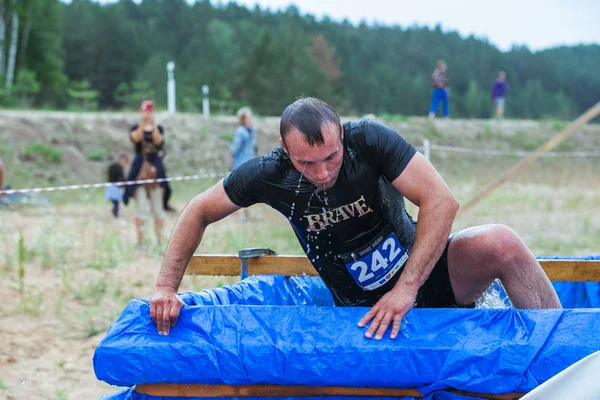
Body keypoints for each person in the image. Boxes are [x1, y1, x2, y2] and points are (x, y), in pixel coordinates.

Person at [150, 97, 561, 340]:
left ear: (342, 135)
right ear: (284, 150)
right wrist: (166, 287)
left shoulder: (369, 140)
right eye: (306, 164)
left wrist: (407, 287)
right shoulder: (268, 174)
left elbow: (441, 201)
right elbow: (197, 210)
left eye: (330, 157)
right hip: (362, 306)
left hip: (426, 275)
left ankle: (562, 352)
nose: (323, 172)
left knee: (502, 241)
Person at [125, 100, 167, 247]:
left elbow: (158, 141)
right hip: (139, 170)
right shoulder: (136, 127)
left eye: (149, 110)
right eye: (145, 110)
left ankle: (160, 240)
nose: (147, 112)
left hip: (155, 169)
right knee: (141, 208)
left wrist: (152, 124)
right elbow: (135, 138)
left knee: (158, 209)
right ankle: (141, 241)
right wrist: (144, 123)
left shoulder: (158, 128)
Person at [229, 107, 257, 221]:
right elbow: (234, 149)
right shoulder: (240, 132)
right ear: (243, 119)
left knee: (249, 190)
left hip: (249, 164)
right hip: (240, 165)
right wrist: (231, 162)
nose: (251, 118)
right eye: (249, 116)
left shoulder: (251, 130)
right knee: (240, 190)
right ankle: (238, 215)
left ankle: (248, 214)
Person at [105, 153, 130, 220]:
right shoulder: (116, 167)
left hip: (115, 187)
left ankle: (115, 214)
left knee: (115, 203)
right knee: (115, 203)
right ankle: (115, 215)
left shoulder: (118, 167)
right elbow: (120, 178)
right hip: (114, 187)